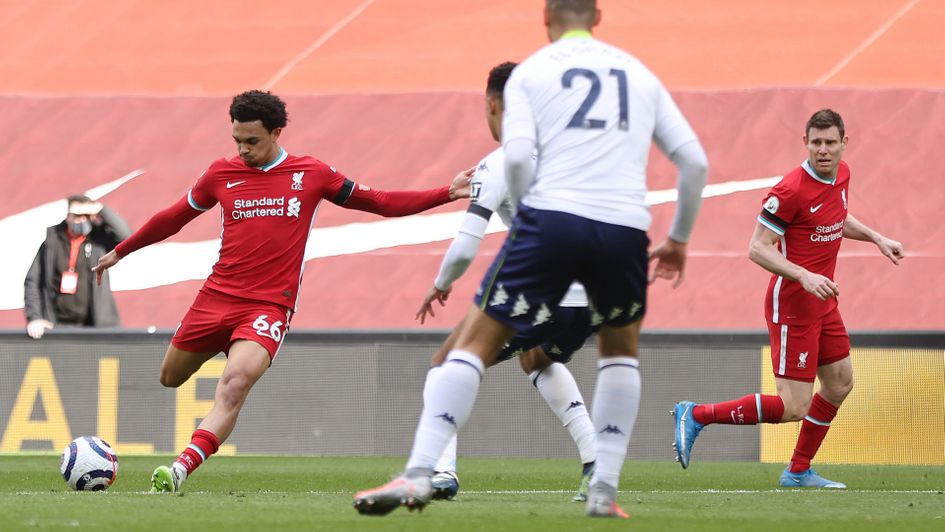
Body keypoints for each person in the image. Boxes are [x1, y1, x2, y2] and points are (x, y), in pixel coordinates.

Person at [355, 0, 708, 518]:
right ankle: (604, 489)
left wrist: (530, 226)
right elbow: (694, 162)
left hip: (553, 226)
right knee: (617, 355)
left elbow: (517, 156)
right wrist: (677, 239)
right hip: (624, 229)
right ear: (598, 16)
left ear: (546, 18)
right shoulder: (638, 73)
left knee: (462, 351)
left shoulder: (531, 74)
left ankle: (423, 470)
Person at [91, 90, 471, 493]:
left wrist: (446, 192)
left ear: (276, 133)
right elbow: (174, 217)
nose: (243, 150)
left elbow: (379, 201)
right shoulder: (220, 174)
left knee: (234, 384)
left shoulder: (311, 174)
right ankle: (216, 362)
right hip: (216, 298)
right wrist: (121, 250)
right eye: (237, 141)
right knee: (170, 377)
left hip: (268, 307)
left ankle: (179, 469)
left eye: (252, 141)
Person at [672, 109, 904, 488]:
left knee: (840, 382)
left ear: (844, 144)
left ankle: (797, 471)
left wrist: (877, 238)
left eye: (831, 143)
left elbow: (837, 216)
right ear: (805, 143)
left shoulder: (842, 174)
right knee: (793, 406)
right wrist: (803, 275)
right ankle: (697, 414)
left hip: (823, 300)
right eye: (817, 143)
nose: (823, 150)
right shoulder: (790, 191)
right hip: (794, 305)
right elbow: (757, 248)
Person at [414, 61, 597, 503]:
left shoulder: (497, 164)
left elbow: (465, 246)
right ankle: (597, 462)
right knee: (536, 359)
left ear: (493, 105)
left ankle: (441, 472)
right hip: (592, 297)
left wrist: (441, 283)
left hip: (543, 293)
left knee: (446, 365)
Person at [24, 195, 130, 339]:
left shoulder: (99, 239)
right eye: (77, 215)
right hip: (56, 326)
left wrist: (100, 209)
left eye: (86, 215)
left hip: (95, 326)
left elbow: (126, 236)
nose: (82, 220)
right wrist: (35, 317)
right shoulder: (52, 241)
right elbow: (33, 281)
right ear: (68, 216)